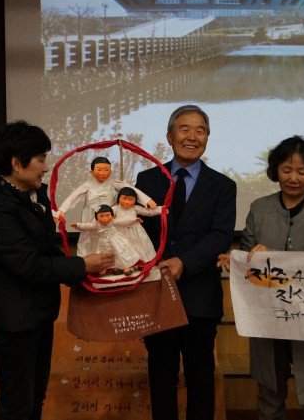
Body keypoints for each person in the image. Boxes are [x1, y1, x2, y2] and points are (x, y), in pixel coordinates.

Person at [0, 121, 115, 420]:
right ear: (16, 163)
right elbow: (28, 264)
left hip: (36, 315)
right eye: (40, 160)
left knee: (35, 398)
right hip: (14, 322)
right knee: (18, 405)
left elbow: (47, 249)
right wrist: (82, 265)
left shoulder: (30, 197)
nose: (45, 168)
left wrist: (87, 266)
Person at [218, 136, 304, 420]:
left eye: (302, 171)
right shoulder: (260, 208)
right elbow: (249, 253)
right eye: (287, 170)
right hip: (268, 315)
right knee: (269, 390)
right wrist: (236, 258)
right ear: (275, 170)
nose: (294, 178)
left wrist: (272, 256)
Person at [135, 104, 236, 420]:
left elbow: (220, 235)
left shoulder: (222, 186)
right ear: (169, 136)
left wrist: (184, 262)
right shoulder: (146, 179)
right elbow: (136, 232)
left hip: (201, 297)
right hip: (155, 296)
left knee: (201, 380)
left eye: (201, 130)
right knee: (161, 378)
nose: (193, 136)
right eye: (184, 129)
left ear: (207, 138)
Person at [54, 156, 156, 256]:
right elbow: (73, 197)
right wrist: (62, 210)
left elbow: (129, 189)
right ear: (92, 172)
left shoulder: (113, 183)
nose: (103, 173)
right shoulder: (87, 185)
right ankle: (88, 262)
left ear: (110, 172)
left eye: (106, 170)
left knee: (113, 238)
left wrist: (146, 200)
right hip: (91, 215)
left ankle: (114, 262)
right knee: (89, 237)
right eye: (99, 170)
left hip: (110, 215)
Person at [71, 204, 142, 275]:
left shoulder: (112, 222)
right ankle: (109, 268)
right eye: (101, 216)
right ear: (96, 217)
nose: (105, 218)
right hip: (103, 243)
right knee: (107, 256)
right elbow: (87, 226)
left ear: (112, 215)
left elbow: (123, 222)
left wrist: (134, 220)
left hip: (116, 240)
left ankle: (125, 267)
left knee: (121, 252)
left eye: (107, 215)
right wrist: (78, 225)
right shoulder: (96, 225)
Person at [112, 187, 164, 269]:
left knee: (139, 246)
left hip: (136, 232)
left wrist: (161, 210)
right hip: (121, 232)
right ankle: (122, 266)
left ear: (135, 200)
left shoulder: (135, 208)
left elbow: (148, 212)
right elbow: (106, 214)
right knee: (123, 248)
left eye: (130, 199)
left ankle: (139, 262)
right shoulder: (116, 209)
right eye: (124, 198)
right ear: (119, 197)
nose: (127, 202)